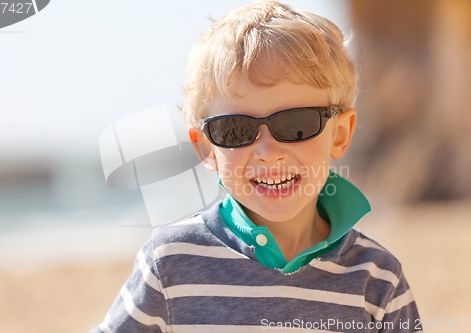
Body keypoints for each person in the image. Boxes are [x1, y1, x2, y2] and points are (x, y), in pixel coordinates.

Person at [91, 1, 422, 332]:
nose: (268, 152)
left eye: (296, 124)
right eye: (236, 129)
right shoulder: (169, 264)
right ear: (207, 148)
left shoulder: (377, 279)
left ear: (340, 134)